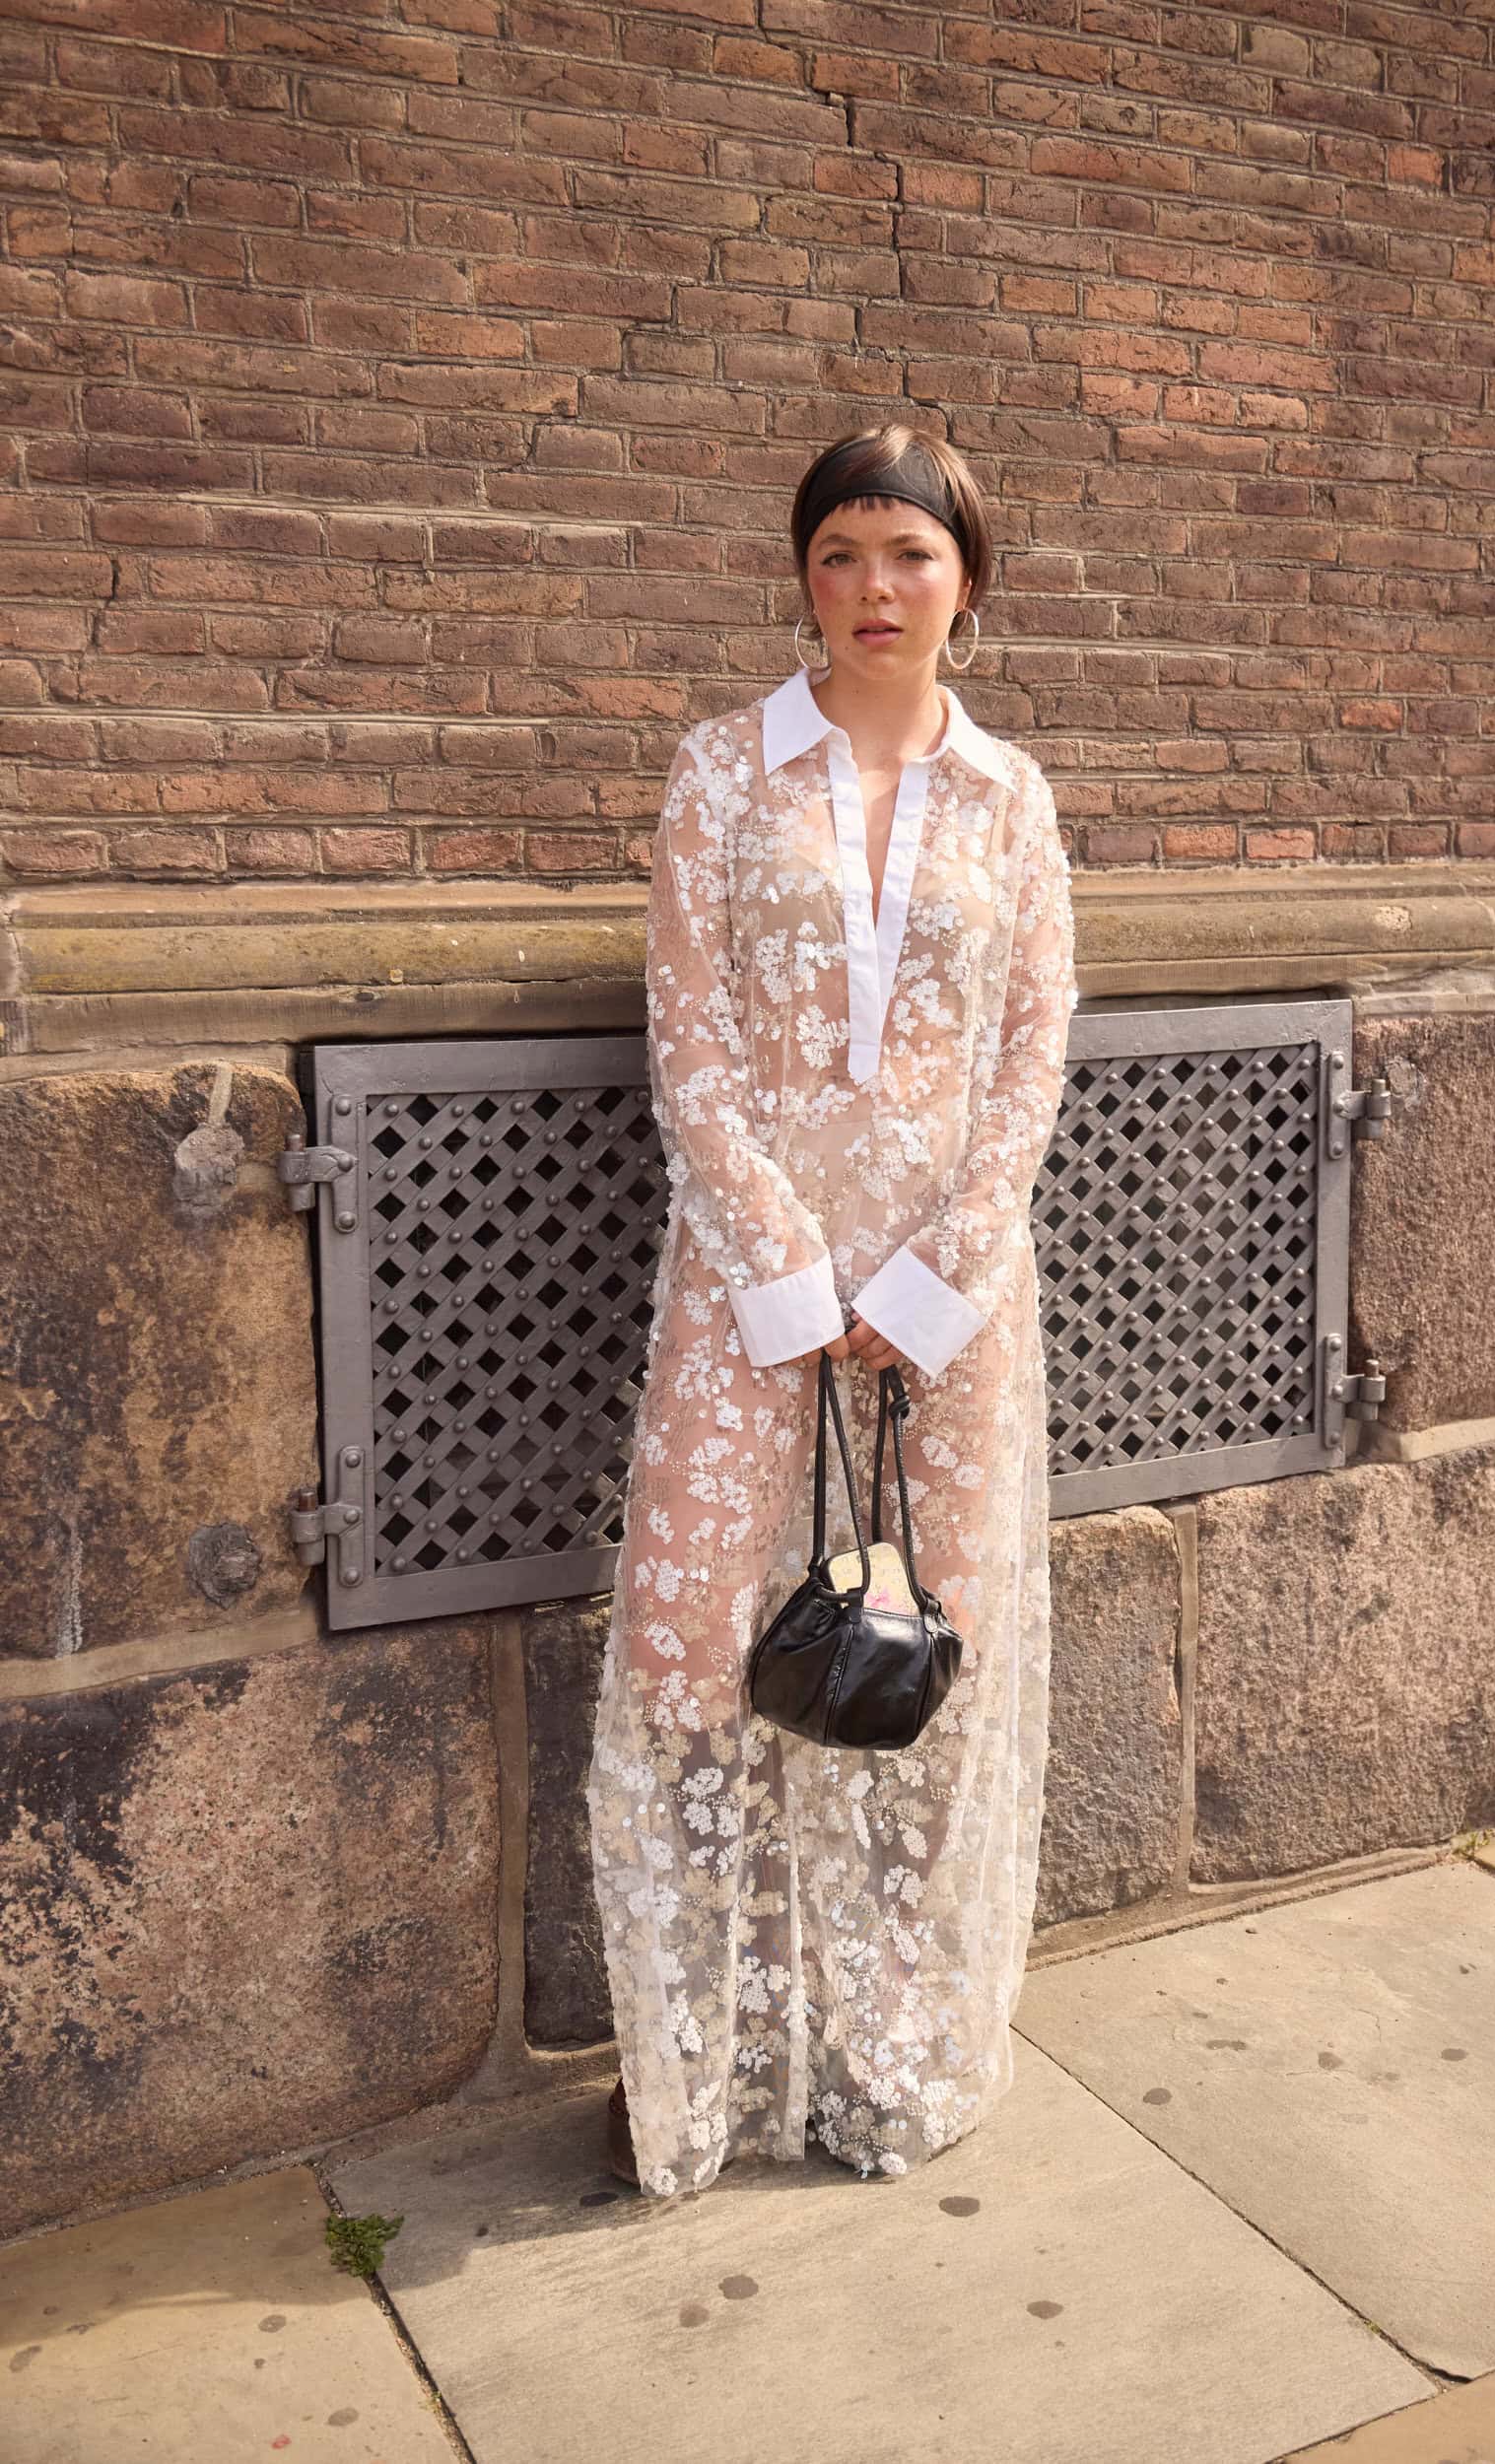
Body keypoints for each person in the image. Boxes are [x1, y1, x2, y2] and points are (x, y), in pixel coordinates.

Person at [585, 422, 1080, 2196]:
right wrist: (795, 1279)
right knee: (705, 1658)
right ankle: (713, 2081)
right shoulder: (723, 772)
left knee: (915, 1658)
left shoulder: (1012, 798)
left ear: (968, 581)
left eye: (911, 553)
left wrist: (932, 1280)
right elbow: (693, 1040)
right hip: (750, 1301)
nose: (875, 588)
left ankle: (888, 2064)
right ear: (802, 577)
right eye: (841, 554)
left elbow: (1031, 1057)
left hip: (952, 1316)